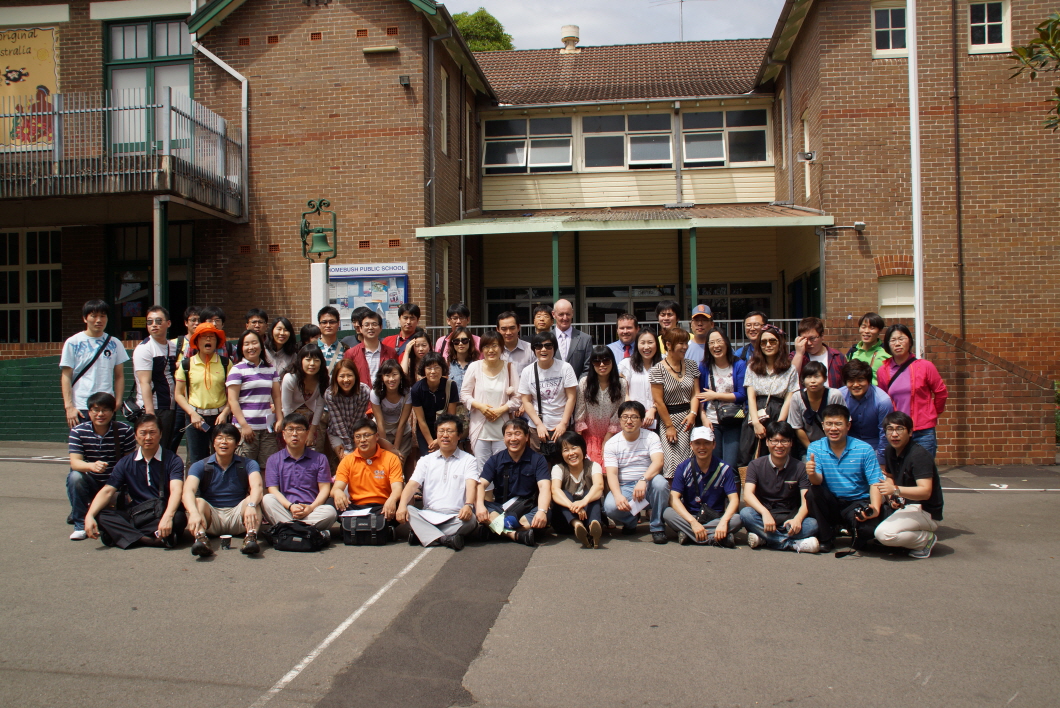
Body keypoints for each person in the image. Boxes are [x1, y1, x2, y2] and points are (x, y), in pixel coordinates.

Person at [83, 415, 187, 549]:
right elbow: (108, 491)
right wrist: (89, 515)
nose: (148, 437)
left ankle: (120, 535)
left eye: (152, 432)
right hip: (136, 514)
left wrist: (168, 516)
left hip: (162, 512)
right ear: (136, 435)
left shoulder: (173, 460)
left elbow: (176, 490)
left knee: (178, 519)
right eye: (143, 433)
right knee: (101, 515)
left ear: (160, 434)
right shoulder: (126, 462)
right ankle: (149, 540)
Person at [805, 404, 886, 554]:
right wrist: (811, 474)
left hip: (856, 502)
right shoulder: (815, 448)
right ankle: (826, 538)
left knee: (867, 535)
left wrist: (875, 507)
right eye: (829, 424)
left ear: (848, 425)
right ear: (823, 425)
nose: (833, 428)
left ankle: (851, 528)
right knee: (812, 492)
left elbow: (875, 481)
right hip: (832, 502)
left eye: (838, 424)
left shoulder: (864, 449)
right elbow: (817, 482)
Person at [399, 414, 479, 550]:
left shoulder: (469, 460)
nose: (445, 435)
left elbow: (471, 485)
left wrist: (468, 505)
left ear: (459, 435)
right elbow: (412, 484)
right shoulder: (426, 460)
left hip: (456, 516)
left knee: (471, 521)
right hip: (429, 514)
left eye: (450, 431)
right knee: (409, 511)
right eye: (441, 431)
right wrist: (401, 505)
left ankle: (423, 534)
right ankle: (445, 539)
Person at [183, 423, 263, 556]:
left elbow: (257, 487)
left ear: (237, 443)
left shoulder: (248, 464)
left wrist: (251, 505)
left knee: (253, 500)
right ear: (213, 442)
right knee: (198, 502)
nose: (224, 442)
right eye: (219, 438)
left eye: (229, 438)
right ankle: (201, 539)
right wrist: (193, 513)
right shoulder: (200, 465)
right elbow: (188, 491)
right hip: (211, 518)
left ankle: (250, 538)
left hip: (238, 516)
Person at [738, 421, 819, 552]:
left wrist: (797, 519)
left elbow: (806, 500)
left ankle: (766, 539)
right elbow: (747, 495)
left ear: (791, 443)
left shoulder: (800, 467)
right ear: (767, 442)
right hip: (764, 516)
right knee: (746, 514)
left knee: (813, 524)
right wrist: (764, 513)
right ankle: (793, 544)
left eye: (784, 441)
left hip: (790, 517)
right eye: (774, 441)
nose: (779, 445)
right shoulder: (755, 465)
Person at [66, 392, 137, 540]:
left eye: (105, 410)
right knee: (75, 477)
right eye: (95, 410)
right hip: (91, 482)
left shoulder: (125, 431)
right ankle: (80, 525)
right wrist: (91, 466)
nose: (100, 414)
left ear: (112, 412)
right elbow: (75, 462)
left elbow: (129, 463)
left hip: (114, 484)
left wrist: (119, 489)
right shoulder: (78, 432)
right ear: (89, 412)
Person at [873, 411, 944, 558]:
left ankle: (925, 540)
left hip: (925, 511)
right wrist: (892, 497)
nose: (894, 434)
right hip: (905, 504)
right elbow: (891, 477)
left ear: (910, 432)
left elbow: (925, 492)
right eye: (890, 429)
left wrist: (895, 490)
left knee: (884, 534)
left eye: (900, 429)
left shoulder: (919, 455)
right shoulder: (889, 451)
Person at [876, 324, 948, 459]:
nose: (897, 343)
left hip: (922, 431)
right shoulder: (883, 370)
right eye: (893, 340)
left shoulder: (925, 366)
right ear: (887, 345)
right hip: (897, 431)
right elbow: (883, 400)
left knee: (924, 472)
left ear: (909, 341)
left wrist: (933, 413)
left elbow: (941, 392)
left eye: (901, 338)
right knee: (900, 473)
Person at [602, 401, 669, 544]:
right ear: (619, 420)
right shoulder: (612, 444)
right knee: (610, 507)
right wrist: (618, 495)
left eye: (634, 417)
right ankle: (631, 521)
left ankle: (657, 527)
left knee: (660, 483)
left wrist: (643, 480)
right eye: (625, 417)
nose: (629, 421)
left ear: (642, 420)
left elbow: (658, 462)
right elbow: (612, 474)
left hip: (648, 483)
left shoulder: (651, 437)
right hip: (625, 485)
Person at [476, 418, 551, 546]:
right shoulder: (495, 460)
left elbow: (544, 487)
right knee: (476, 505)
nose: (513, 439)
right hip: (500, 509)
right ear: (504, 438)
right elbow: (481, 485)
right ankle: (515, 534)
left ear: (527, 437)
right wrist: (479, 506)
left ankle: (496, 529)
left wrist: (541, 511)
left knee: (546, 512)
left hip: (526, 509)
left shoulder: (538, 459)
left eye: (518, 434)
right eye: (509, 434)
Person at [663, 427, 742, 546]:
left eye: (706, 443)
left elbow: (734, 499)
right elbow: (674, 498)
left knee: (738, 519)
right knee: (667, 513)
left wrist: (724, 522)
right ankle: (716, 537)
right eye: (697, 443)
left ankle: (690, 535)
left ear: (714, 445)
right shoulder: (683, 468)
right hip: (690, 516)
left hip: (716, 517)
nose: (702, 447)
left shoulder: (724, 468)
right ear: (691, 445)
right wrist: (693, 522)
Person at [262, 412, 337, 533]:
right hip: (285, 509)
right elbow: (273, 489)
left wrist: (311, 508)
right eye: (290, 429)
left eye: (299, 429)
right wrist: (290, 506)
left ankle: (288, 530)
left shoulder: (320, 458)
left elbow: (324, 489)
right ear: (284, 434)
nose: (295, 434)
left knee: (330, 512)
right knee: (268, 499)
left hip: (310, 511)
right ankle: (305, 531)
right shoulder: (274, 460)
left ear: (307, 433)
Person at [60, 299, 128, 429]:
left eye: (102, 316)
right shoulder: (73, 342)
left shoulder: (115, 343)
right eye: (94, 316)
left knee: (107, 445)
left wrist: (118, 401)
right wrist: (69, 406)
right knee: (83, 445)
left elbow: (119, 375)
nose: (99, 320)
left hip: (107, 404)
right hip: (81, 406)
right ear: (85, 319)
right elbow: (66, 376)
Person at [174, 322, 233, 466]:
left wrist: (225, 413)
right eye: (204, 337)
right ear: (196, 341)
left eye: (212, 337)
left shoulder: (226, 363)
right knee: (196, 460)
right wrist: (191, 413)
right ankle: (196, 489)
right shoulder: (187, 364)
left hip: (220, 418)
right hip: (195, 418)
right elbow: (178, 394)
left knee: (222, 458)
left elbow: (233, 395)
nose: (208, 340)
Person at [461, 330, 521, 469]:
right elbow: (464, 394)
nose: (491, 350)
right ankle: (485, 492)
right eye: (486, 346)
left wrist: (501, 410)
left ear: (501, 347)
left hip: (503, 429)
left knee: (502, 469)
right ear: (481, 349)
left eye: (494, 345)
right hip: (480, 428)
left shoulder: (510, 367)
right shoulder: (474, 367)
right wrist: (481, 407)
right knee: (483, 470)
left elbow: (518, 398)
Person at [740, 324, 798, 466]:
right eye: (764, 342)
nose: (768, 345)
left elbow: (790, 397)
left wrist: (778, 424)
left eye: (772, 341)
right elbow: (751, 395)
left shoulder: (790, 369)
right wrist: (755, 422)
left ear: (780, 343)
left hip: (779, 412)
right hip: (756, 413)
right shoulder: (752, 366)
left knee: (778, 453)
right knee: (749, 455)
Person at [331, 417, 403, 528]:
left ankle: (358, 525)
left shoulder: (391, 458)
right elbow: (336, 488)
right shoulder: (347, 460)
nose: (362, 440)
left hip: (383, 507)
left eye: (367, 435)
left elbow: (397, 488)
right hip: (355, 507)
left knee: (403, 502)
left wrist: (392, 500)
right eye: (358, 436)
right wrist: (337, 492)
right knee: (330, 504)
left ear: (377, 436)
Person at [225, 329, 282, 468]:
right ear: (241, 348)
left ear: (261, 345)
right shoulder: (237, 370)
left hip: (267, 428)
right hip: (246, 428)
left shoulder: (270, 369)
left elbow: (276, 396)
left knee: (267, 467)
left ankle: (264, 491)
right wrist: (244, 426)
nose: (251, 347)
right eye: (246, 344)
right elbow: (233, 400)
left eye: (254, 343)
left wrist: (280, 418)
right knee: (244, 467)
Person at [649, 327, 701, 479]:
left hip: (689, 419)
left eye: (686, 343)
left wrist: (693, 414)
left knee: (690, 463)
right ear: (669, 345)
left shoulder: (691, 365)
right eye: (681, 343)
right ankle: (672, 499)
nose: (685, 347)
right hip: (668, 420)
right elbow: (658, 401)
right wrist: (669, 426)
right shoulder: (658, 369)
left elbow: (695, 393)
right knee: (671, 465)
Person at [519, 331, 578, 455]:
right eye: (538, 346)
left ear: (554, 348)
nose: (543, 349)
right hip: (538, 427)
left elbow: (571, 398)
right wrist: (539, 424)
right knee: (540, 465)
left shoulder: (565, 368)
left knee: (564, 462)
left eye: (548, 346)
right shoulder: (528, 371)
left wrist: (563, 423)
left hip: (562, 425)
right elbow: (526, 400)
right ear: (534, 349)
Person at [697, 327, 746, 468]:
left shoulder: (739, 365)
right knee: (714, 464)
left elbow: (742, 394)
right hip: (712, 422)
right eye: (711, 343)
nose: (716, 346)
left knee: (730, 465)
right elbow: (700, 395)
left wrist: (715, 395)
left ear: (726, 342)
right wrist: (704, 418)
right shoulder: (704, 367)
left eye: (719, 341)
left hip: (734, 419)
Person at [549, 431, 605, 548]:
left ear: (582, 448)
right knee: (563, 493)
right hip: (565, 522)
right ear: (561, 454)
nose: (571, 453)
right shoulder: (558, 468)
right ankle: (577, 524)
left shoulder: (593, 466)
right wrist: (573, 506)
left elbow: (599, 486)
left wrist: (583, 502)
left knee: (591, 493)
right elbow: (555, 491)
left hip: (587, 514)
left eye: (574, 448)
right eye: (566, 450)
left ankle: (593, 525)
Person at [132, 305, 177, 447]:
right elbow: (144, 382)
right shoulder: (144, 348)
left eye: (158, 321)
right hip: (155, 407)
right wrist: (150, 414)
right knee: (154, 448)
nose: (154, 325)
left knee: (167, 448)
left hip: (171, 405)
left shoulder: (173, 346)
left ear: (168, 323)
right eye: (150, 321)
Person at [574, 345, 627, 464]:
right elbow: (580, 412)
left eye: (606, 361)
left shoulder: (621, 384)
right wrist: (579, 442)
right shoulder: (584, 383)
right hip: (589, 437)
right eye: (597, 362)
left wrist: (607, 439)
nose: (602, 365)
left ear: (612, 362)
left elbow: (619, 412)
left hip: (612, 436)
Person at [839, 359, 893, 463]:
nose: (855, 385)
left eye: (860, 380)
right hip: (847, 446)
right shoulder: (839, 396)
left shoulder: (883, 401)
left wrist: (881, 461)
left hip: (875, 447)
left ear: (868, 381)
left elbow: (884, 434)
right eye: (851, 380)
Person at [787, 361, 845, 455]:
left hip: (834, 444)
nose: (812, 381)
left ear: (825, 378)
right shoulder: (797, 397)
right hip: (807, 446)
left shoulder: (834, 395)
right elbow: (797, 427)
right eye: (808, 377)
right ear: (803, 380)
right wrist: (812, 449)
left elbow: (843, 423)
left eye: (817, 376)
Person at [325, 358, 375, 461]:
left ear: (355, 376)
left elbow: (359, 418)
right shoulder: (330, 394)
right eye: (342, 376)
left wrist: (355, 443)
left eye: (349, 375)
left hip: (357, 431)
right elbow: (338, 423)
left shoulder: (364, 391)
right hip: (337, 433)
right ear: (335, 378)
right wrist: (349, 449)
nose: (346, 380)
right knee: (346, 459)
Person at [410, 352, 459, 455]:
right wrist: (432, 443)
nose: (433, 371)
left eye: (436, 367)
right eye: (429, 368)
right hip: (425, 430)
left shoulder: (450, 386)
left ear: (442, 369)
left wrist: (440, 439)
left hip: (446, 429)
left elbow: (451, 416)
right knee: (429, 458)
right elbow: (421, 420)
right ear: (424, 369)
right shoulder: (416, 389)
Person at [280, 344, 329, 448]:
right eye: (308, 359)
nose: (312, 364)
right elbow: (286, 408)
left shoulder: (322, 379)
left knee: (312, 449)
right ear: (300, 360)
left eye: (316, 360)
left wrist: (311, 432)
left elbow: (320, 406)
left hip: (311, 418)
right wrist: (292, 430)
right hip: (290, 418)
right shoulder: (290, 378)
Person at [169, 306, 201, 452]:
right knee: (174, 435)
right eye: (192, 320)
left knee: (196, 441)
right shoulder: (176, 343)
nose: (196, 323)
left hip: (198, 398)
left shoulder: (206, 344)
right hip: (179, 396)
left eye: (199, 320)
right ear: (186, 323)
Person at [371, 359, 414, 467]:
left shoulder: (407, 392)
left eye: (394, 375)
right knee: (381, 463)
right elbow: (380, 423)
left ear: (400, 376)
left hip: (401, 432)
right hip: (380, 433)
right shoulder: (375, 393)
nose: (391, 379)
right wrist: (388, 449)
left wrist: (395, 449)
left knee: (398, 463)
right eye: (387, 375)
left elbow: (402, 423)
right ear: (382, 377)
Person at [618, 328, 660, 432]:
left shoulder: (663, 363)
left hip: (659, 416)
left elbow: (666, 392)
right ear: (637, 345)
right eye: (642, 343)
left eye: (650, 342)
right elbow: (625, 393)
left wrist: (653, 410)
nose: (646, 347)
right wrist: (635, 413)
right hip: (633, 419)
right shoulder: (626, 364)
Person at [790, 316, 848, 388]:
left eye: (812, 338)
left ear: (822, 336)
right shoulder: (795, 356)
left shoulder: (837, 357)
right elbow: (790, 380)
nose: (808, 343)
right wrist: (799, 354)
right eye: (804, 339)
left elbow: (846, 384)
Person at [552, 298, 592, 378]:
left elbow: (588, 368)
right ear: (554, 314)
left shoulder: (585, 339)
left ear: (572, 313)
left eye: (568, 314)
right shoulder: (546, 339)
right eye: (561, 314)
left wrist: (575, 387)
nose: (565, 318)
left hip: (577, 388)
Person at [847, 312, 891, 383]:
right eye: (863, 327)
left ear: (880, 330)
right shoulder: (853, 351)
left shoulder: (887, 352)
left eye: (872, 328)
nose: (866, 331)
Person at [496, 310, 534, 377]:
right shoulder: (493, 351)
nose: (508, 332)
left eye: (512, 328)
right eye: (504, 329)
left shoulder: (531, 350)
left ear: (519, 327)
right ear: (498, 330)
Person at [445, 325, 479, 395]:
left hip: (472, 405)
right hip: (453, 405)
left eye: (464, 340)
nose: (460, 343)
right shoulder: (447, 364)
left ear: (470, 342)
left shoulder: (477, 364)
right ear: (452, 343)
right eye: (456, 341)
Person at [316, 305, 346, 372]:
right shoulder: (312, 348)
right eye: (324, 322)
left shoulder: (345, 349)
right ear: (319, 325)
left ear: (338, 323)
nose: (328, 325)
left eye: (332, 322)